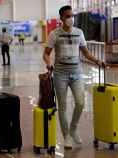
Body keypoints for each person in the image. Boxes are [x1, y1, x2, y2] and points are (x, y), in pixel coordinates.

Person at [43, 5, 104, 149]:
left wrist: (97, 61)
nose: (71, 18)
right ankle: (67, 137)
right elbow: (46, 53)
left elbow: (86, 53)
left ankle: (73, 128)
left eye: (72, 15)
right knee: (62, 107)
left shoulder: (79, 33)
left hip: (76, 73)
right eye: (68, 16)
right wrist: (48, 63)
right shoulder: (54, 34)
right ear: (62, 18)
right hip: (60, 74)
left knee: (80, 102)